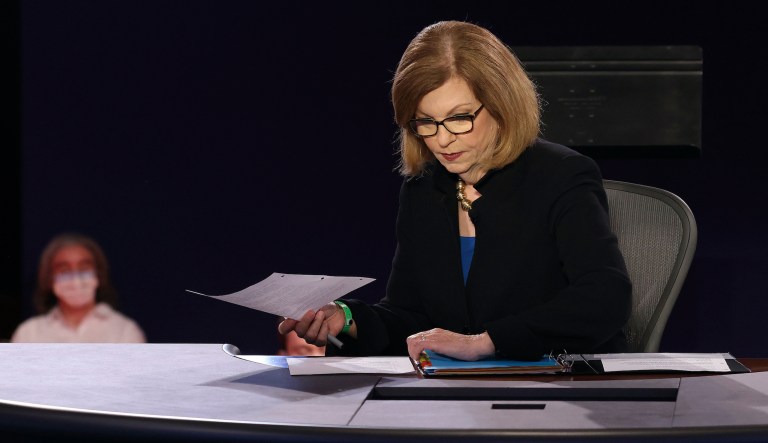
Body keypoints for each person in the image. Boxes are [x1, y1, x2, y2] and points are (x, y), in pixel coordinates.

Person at [278, 20, 631, 361]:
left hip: (558, 384)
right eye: (426, 122)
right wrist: (349, 320)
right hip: (457, 393)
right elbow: (412, 317)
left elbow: (605, 298)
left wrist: (486, 342)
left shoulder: (561, 175)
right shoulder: (424, 189)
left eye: (460, 118)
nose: (443, 139)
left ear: (502, 105)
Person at [11, 233, 146, 343]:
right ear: (49, 278)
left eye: (84, 268)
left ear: (98, 274)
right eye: (64, 270)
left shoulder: (124, 331)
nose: (76, 278)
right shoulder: (29, 334)